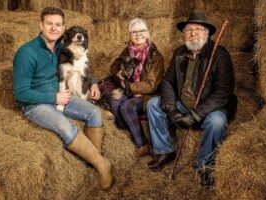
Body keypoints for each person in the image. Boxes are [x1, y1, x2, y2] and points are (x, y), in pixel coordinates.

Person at [13, 7, 114, 190]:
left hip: (61, 96)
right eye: (49, 24)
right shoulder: (26, 53)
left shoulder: (63, 47)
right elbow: (21, 93)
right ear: (40, 25)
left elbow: (82, 65)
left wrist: (91, 83)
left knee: (93, 112)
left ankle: (93, 157)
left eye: (58, 24)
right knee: (63, 124)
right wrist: (53, 97)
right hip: (36, 104)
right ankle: (102, 164)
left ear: (63, 27)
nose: (54, 28)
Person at [146, 10, 237, 186]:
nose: (193, 33)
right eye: (188, 29)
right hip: (183, 104)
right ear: (184, 34)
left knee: (217, 122)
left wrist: (195, 115)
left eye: (198, 29)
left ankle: (204, 165)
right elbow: (167, 82)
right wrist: (171, 109)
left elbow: (223, 93)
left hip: (209, 108)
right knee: (152, 104)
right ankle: (165, 150)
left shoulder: (220, 56)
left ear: (207, 33)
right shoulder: (180, 53)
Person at [109, 18, 165, 158]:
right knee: (114, 102)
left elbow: (151, 86)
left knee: (126, 107)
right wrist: (119, 73)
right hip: (129, 90)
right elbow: (114, 65)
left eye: (142, 31)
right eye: (134, 32)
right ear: (129, 35)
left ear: (147, 33)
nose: (138, 34)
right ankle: (128, 135)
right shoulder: (127, 51)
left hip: (147, 95)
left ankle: (142, 144)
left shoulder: (155, 57)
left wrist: (128, 86)